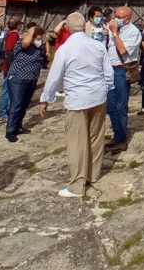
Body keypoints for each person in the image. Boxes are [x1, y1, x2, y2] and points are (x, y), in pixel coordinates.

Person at [38, 12, 112, 198]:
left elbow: (55, 77)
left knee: (77, 141)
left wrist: (45, 98)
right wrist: (105, 88)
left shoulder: (65, 49)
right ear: (85, 25)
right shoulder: (97, 45)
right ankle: (92, 174)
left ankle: (78, 184)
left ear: (67, 28)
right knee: (95, 137)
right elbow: (108, 72)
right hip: (98, 96)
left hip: (78, 99)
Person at [105, 6, 142, 152]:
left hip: (122, 70)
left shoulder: (133, 32)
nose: (116, 19)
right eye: (115, 16)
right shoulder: (112, 27)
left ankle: (121, 139)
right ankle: (117, 134)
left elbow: (122, 50)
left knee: (120, 105)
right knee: (111, 105)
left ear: (127, 19)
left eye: (119, 17)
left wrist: (114, 33)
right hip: (109, 69)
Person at [5, 26, 49, 141]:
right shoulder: (22, 44)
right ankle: (10, 130)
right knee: (16, 104)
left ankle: (18, 126)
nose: (40, 39)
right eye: (38, 37)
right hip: (18, 78)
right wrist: (31, 31)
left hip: (32, 79)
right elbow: (26, 42)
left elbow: (46, 45)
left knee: (24, 104)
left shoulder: (39, 47)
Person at [0, 18, 21, 119]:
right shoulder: (13, 34)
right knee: (7, 90)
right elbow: (9, 49)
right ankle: (2, 113)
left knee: (7, 89)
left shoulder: (8, 33)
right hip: (9, 65)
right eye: (20, 24)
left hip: (6, 64)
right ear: (17, 25)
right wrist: (11, 66)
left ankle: (5, 111)